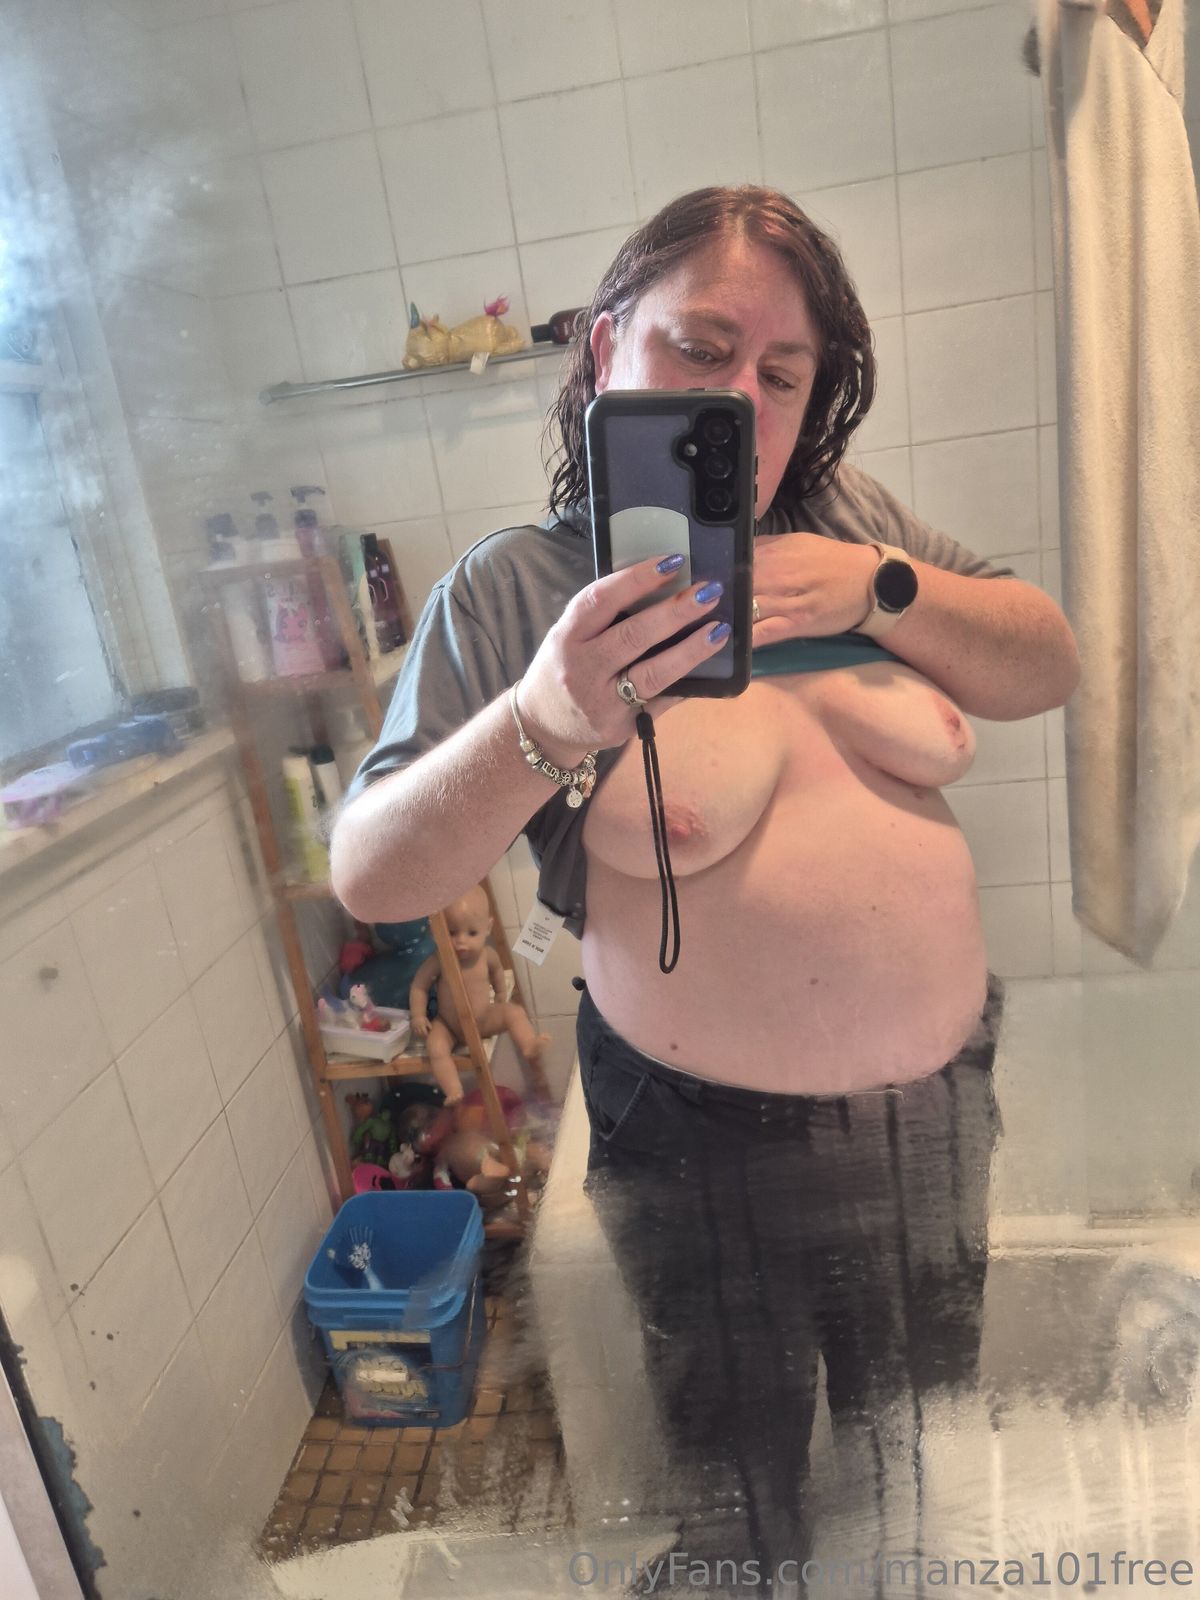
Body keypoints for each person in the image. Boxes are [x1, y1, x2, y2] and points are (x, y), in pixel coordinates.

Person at [332, 186, 1079, 1593]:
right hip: (700, 1140)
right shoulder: (522, 587)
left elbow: (1047, 660)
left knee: (918, 1465)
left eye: (782, 375)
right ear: (607, 343)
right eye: (700, 348)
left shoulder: (851, 524)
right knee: (746, 1495)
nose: (739, 399)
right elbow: (374, 871)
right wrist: (546, 715)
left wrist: (879, 588)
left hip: (928, 1116)